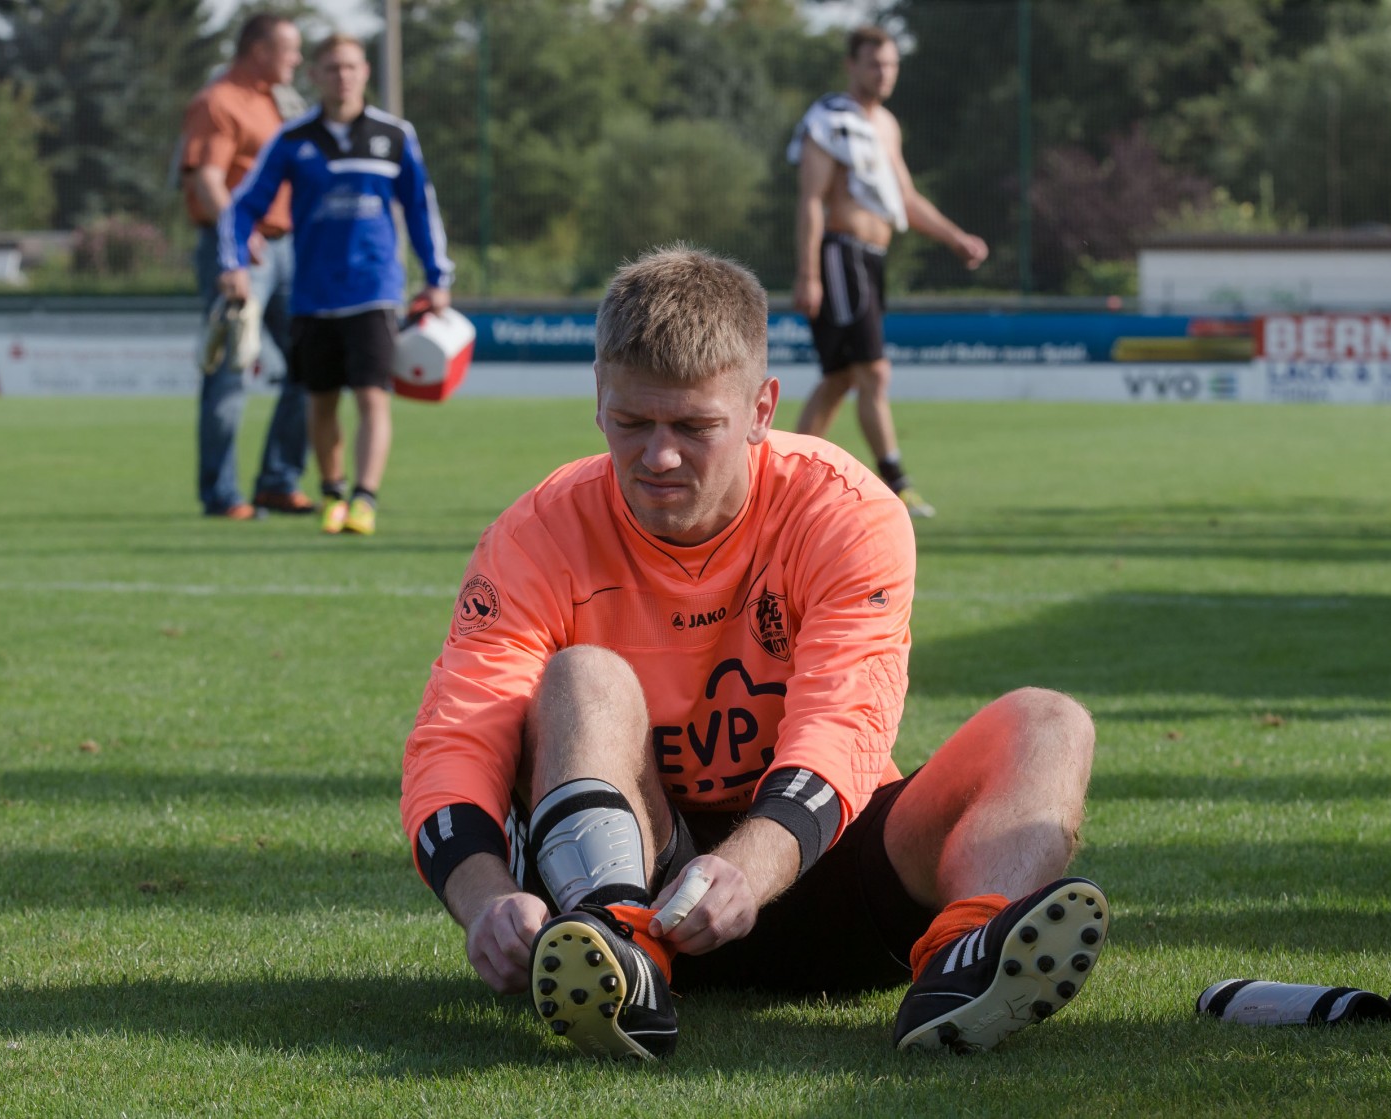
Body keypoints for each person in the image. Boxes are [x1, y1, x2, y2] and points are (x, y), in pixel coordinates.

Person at [400, 245, 1105, 1062]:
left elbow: (846, 723)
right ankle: (620, 954)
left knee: (1051, 723)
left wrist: (750, 865)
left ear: (762, 408)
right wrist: (486, 898)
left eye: (694, 427)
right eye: (631, 422)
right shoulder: (536, 531)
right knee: (583, 676)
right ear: (598, 400)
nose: (658, 457)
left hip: (817, 861)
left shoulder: (845, 512)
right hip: (639, 880)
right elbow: (457, 734)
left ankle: (966, 961)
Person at [219, 34, 453, 538]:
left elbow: (420, 209)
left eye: (349, 67)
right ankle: (332, 494)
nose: (341, 76)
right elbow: (242, 206)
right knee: (320, 401)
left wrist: (438, 277)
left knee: (372, 396)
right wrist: (233, 261)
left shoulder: (394, 135)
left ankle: (364, 500)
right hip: (312, 294)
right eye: (330, 68)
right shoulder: (293, 138)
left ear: (364, 72)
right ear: (315, 77)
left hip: (375, 291)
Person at [788, 25, 990, 520]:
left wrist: (955, 237)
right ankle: (896, 480)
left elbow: (906, 199)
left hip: (872, 260)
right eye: (875, 64)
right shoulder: (831, 121)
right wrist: (808, 272)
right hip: (839, 256)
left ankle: (783, 480)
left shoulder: (887, 126)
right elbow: (812, 200)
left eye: (892, 64)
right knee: (874, 371)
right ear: (851, 66)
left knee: (838, 379)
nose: (885, 73)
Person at [181, 12, 315, 520]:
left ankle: (278, 481)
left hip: (287, 248)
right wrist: (237, 239)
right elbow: (207, 180)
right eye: (290, 49)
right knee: (231, 370)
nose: (297, 60)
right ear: (259, 50)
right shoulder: (217, 102)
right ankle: (221, 493)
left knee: (309, 364)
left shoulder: (275, 103)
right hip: (241, 250)